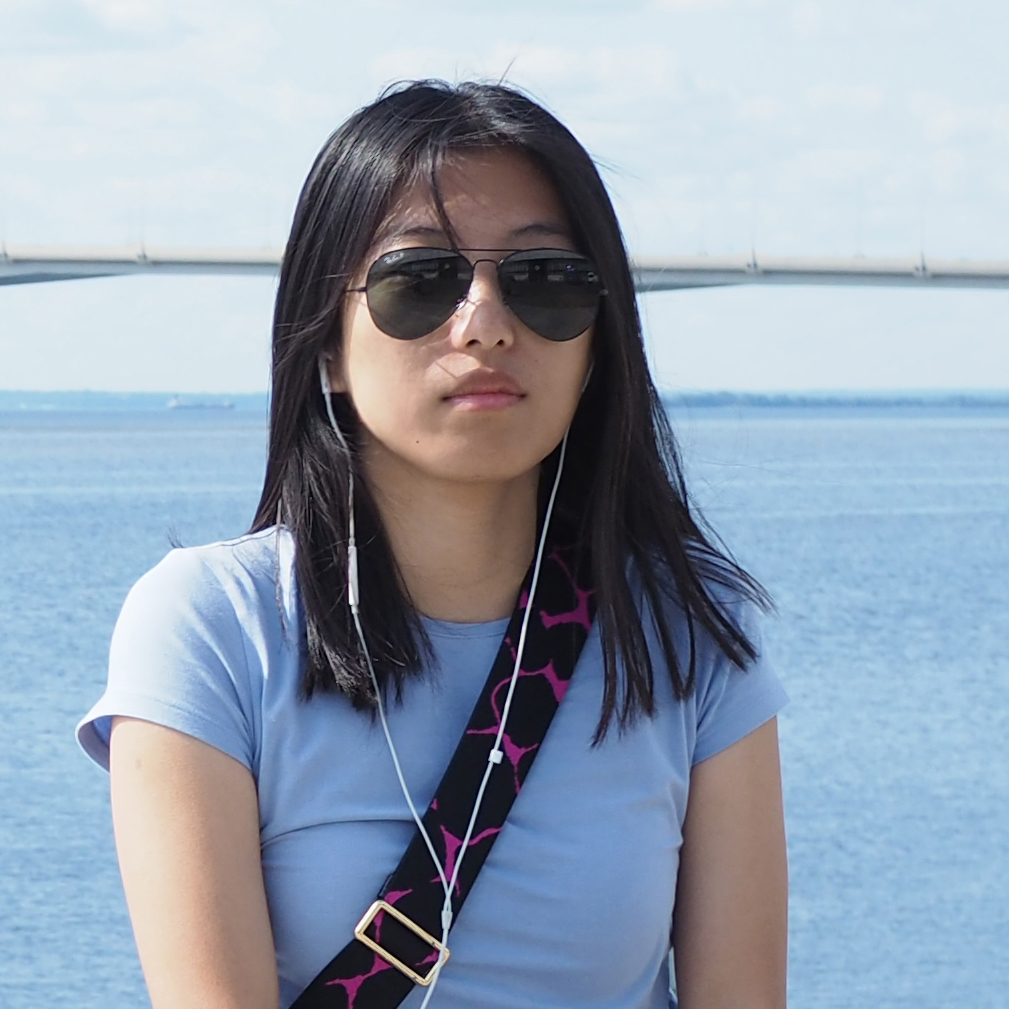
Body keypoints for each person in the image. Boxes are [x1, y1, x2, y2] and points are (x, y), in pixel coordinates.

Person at [78, 80, 788, 1009]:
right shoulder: (213, 628)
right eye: (419, 281)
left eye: (544, 281)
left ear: (597, 342)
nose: (486, 321)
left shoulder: (687, 628)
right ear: (325, 344)